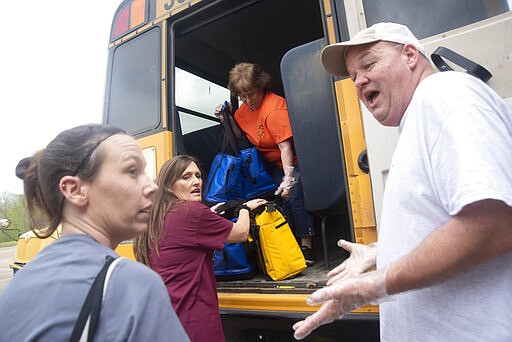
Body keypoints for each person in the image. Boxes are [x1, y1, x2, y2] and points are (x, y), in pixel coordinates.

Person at [292, 22, 512, 341]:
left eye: (368, 64)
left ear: (410, 55)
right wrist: (382, 252)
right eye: (353, 77)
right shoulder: (419, 116)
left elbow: (494, 224)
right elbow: (445, 221)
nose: (359, 81)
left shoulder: (445, 94)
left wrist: (375, 284)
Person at [0, 124, 189, 341]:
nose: (152, 187)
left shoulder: (18, 286)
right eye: (132, 171)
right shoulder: (133, 284)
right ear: (74, 190)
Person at [133, 155, 267, 342]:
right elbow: (241, 233)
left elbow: (186, 235)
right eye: (186, 177)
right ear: (168, 185)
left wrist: (210, 215)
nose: (196, 181)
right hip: (195, 323)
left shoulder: (156, 217)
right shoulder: (192, 213)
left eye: (198, 175)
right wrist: (243, 208)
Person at [215, 62, 316, 265]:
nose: (248, 100)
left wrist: (288, 179)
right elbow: (239, 135)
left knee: (294, 197)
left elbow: (285, 148)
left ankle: (307, 244)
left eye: (251, 94)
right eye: (242, 96)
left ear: (261, 86)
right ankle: (290, 244)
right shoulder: (243, 111)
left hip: (294, 161)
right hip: (272, 164)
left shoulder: (274, 108)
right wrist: (224, 118)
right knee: (280, 203)